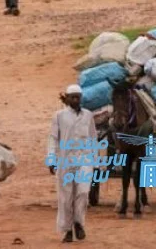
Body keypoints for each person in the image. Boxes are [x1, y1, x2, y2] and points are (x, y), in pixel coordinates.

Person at [48, 85, 96, 243]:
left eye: (78, 97)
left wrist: (95, 161)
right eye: (72, 97)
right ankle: (67, 230)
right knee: (66, 197)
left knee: (83, 192)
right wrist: (51, 159)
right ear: (66, 98)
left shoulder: (88, 115)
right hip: (65, 160)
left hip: (85, 159)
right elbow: (53, 138)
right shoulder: (59, 116)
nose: (75, 100)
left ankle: (78, 223)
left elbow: (92, 138)